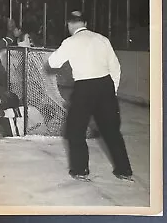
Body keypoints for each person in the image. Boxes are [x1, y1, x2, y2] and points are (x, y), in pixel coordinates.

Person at [47, 11, 133, 182]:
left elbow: (52, 63)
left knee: (75, 130)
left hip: (84, 87)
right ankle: (124, 170)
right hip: (105, 85)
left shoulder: (70, 41)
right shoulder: (102, 39)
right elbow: (115, 67)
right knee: (112, 131)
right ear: (85, 23)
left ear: (69, 25)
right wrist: (111, 91)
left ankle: (80, 170)